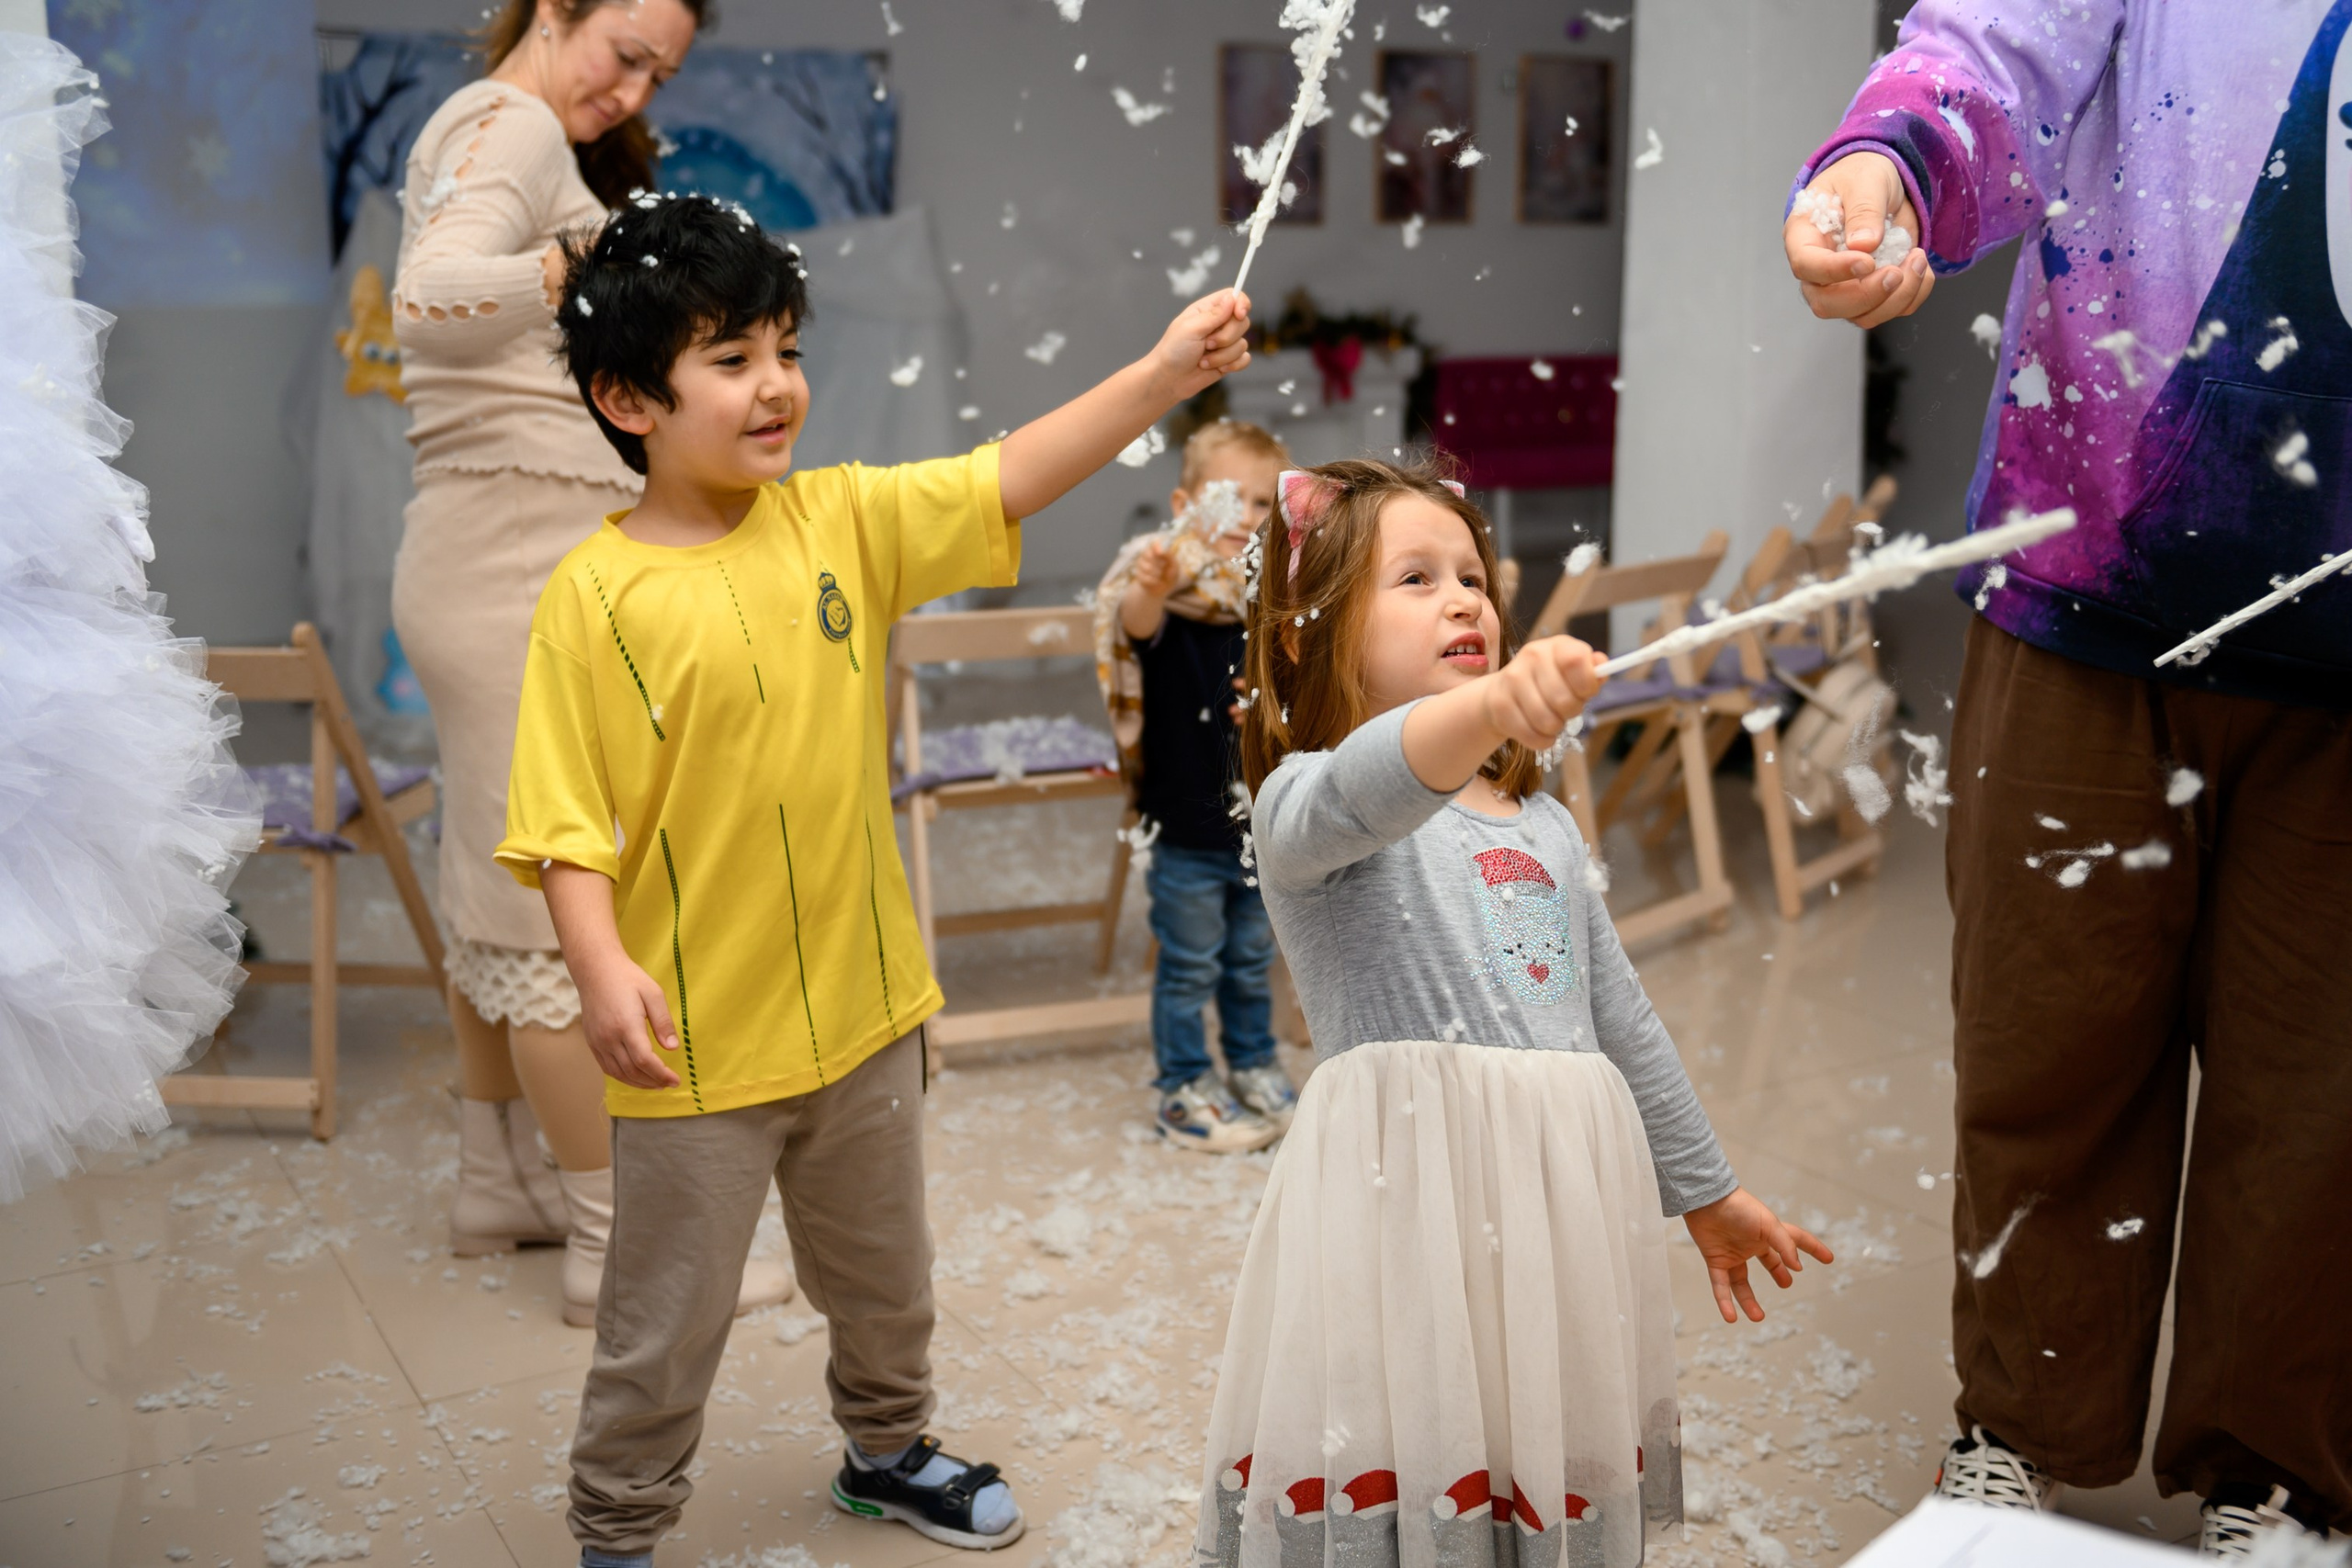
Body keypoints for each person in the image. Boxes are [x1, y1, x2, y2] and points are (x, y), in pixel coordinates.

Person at [493, 194, 1254, 1568]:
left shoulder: (839, 520)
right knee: (663, 1319)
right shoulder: (589, 599)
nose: (775, 382)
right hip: (695, 1049)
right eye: (729, 356)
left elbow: (1006, 473)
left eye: (783, 346)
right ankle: (616, 1528)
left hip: (863, 1013)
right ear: (628, 396)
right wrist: (600, 967)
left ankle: (888, 1450)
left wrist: (1159, 376)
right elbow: (564, 819)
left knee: (886, 1283)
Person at [1785, 3, 2352, 1553]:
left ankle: (2283, 1477)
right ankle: (2022, 1433)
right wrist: (1886, 168)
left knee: (2326, 1099)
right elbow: (1991, 52)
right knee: (2049, 1038)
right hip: (2087, 568)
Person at [1193, 458, 1830, 1568]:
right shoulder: (1305, 804)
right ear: (1306, 637)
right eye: (1416, 578)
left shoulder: (1540, 825)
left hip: (1551, 1217)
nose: (1462, 599)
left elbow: (1618, 1018)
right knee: (1419, 1445)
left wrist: (1705, 1188)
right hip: (1407, 1220)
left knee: (1529, 1452)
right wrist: (1487, 703)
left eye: (1473, 579)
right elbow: (1370, 783)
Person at [389, 0, 795, 1325]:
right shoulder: (505, 119)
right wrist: (574, 259)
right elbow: (430, 298)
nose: (630, 91)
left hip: (492, 557)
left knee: (494, 883)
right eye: (622, 52)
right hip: (506, 566)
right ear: (552, 4)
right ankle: (617, 1242)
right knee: (555, 920)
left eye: (657, 74)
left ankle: (493, 1177)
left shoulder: (509, 128)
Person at [1093, 420, 1298, 1153]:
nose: (1246, 518)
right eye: (1228, 499)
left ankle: (1251, 1060)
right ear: (1184, 505)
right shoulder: (1170, 589)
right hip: (1183, 823)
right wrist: (1153, 584)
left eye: (1263, 505)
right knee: (1188, 964)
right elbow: (1134, 624)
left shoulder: (1269, 603)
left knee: (1250, 958)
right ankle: (1182, 1083)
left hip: (1256, 828)